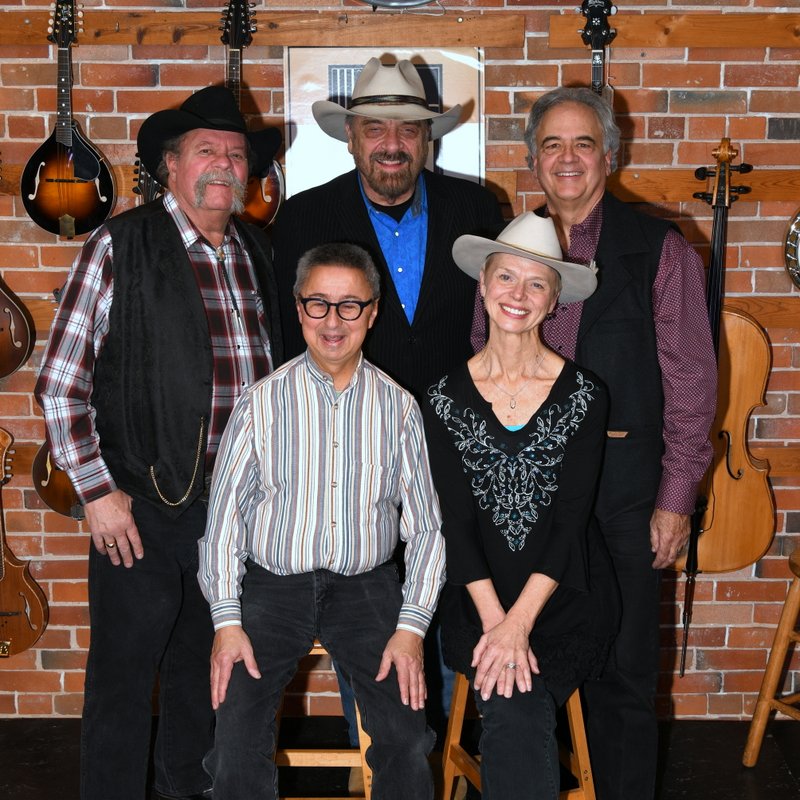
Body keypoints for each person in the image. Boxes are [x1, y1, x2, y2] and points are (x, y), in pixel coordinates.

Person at [34, 85, 283, 800]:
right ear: (170, 166)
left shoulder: (254, 252)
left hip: (229, 514)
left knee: (199, 683)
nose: (224, 165)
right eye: (206, 150)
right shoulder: (121, 243)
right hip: (139, 512)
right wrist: (98, 496)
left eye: (236, 155)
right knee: (120, 687)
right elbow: (59, 384)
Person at [271, 55, 503, 749]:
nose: (392, 143)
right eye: (376, 127)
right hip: (355, 450)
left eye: (407, 128)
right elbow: (293, 343)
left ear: (427, 137)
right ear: (351, 137)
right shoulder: (305, 217)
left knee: (457, 599)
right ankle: (388, 754)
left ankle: (458, 747)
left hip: (457, 451)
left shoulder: (475, 209)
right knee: (370, 608)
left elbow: (499, 327)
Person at [498, 86, 716, 800]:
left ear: (610, 157)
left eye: (583, 143)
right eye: (552, 144)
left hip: (624, 502)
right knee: (532, 673)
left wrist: (676, 501)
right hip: (532, 505)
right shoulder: (512, 253)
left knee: (623, 677)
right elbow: (483, 364)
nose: (567, 159)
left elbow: (690, 385)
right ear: (533, 159)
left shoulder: (661, 250)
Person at [198, 242, 446, 800]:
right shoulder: (260, 404)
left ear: (373, 312)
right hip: (270, 588)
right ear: (297, 307)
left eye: (350, 305)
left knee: (406, 736)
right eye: (318, 304)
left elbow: (427, 529)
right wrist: (226, 622)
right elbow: (223, 523)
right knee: (235, 739)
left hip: (368, 590)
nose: (333, 321)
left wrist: (411, 629)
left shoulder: (399, 408)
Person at [424, 212, 619, 799]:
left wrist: (521, 624)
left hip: (562, 598)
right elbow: (453, 523)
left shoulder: (586, 395)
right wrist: (497, 625)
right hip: (476, 599)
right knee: (512, 704)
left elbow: (569, 522)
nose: (519, 294)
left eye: (538, 283)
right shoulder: (442, 396)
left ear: (556, 300)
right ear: (482, 285)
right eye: (506, 277)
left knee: (516, 705)